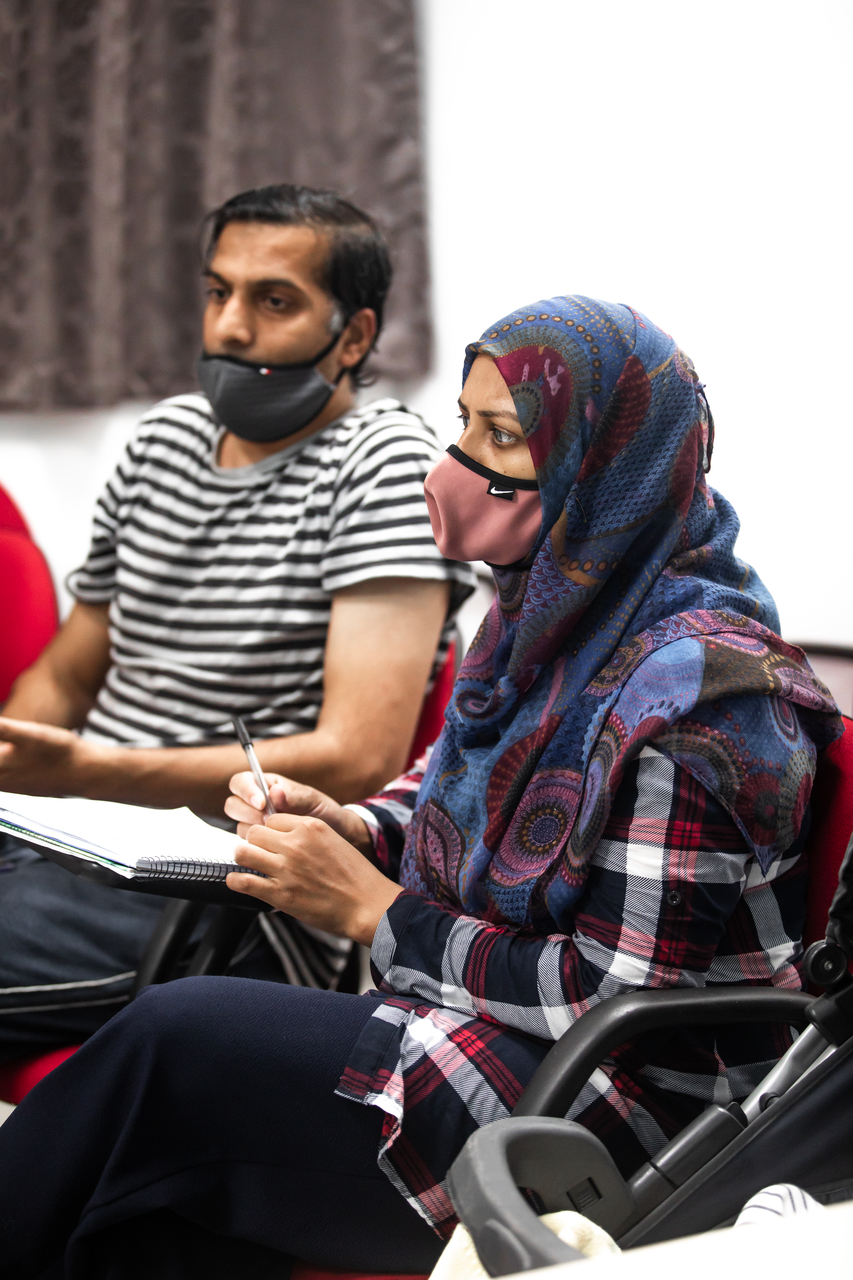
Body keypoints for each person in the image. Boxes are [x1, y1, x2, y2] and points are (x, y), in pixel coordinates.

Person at [0, 296, 841, 1279]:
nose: (455, 462)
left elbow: (613, 995)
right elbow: (449, 789)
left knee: (172, 1041)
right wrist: (357, 827)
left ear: (607, 467)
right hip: (490, 1026)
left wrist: (376, 911)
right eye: (463, 423)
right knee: (149, 1193)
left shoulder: (706, 702)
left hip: (622, 1109)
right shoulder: (548, 613)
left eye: (502, 437)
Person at [0, 184, 473, 1054]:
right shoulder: (162, 440)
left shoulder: (379, 463)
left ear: (354, 336)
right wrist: (19, 773)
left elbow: (357, 755)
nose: (229, 328)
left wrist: (93, 771)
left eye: (274, 301)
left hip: (223, 893)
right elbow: (67, 674)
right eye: (218, 292)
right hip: (71, 838)